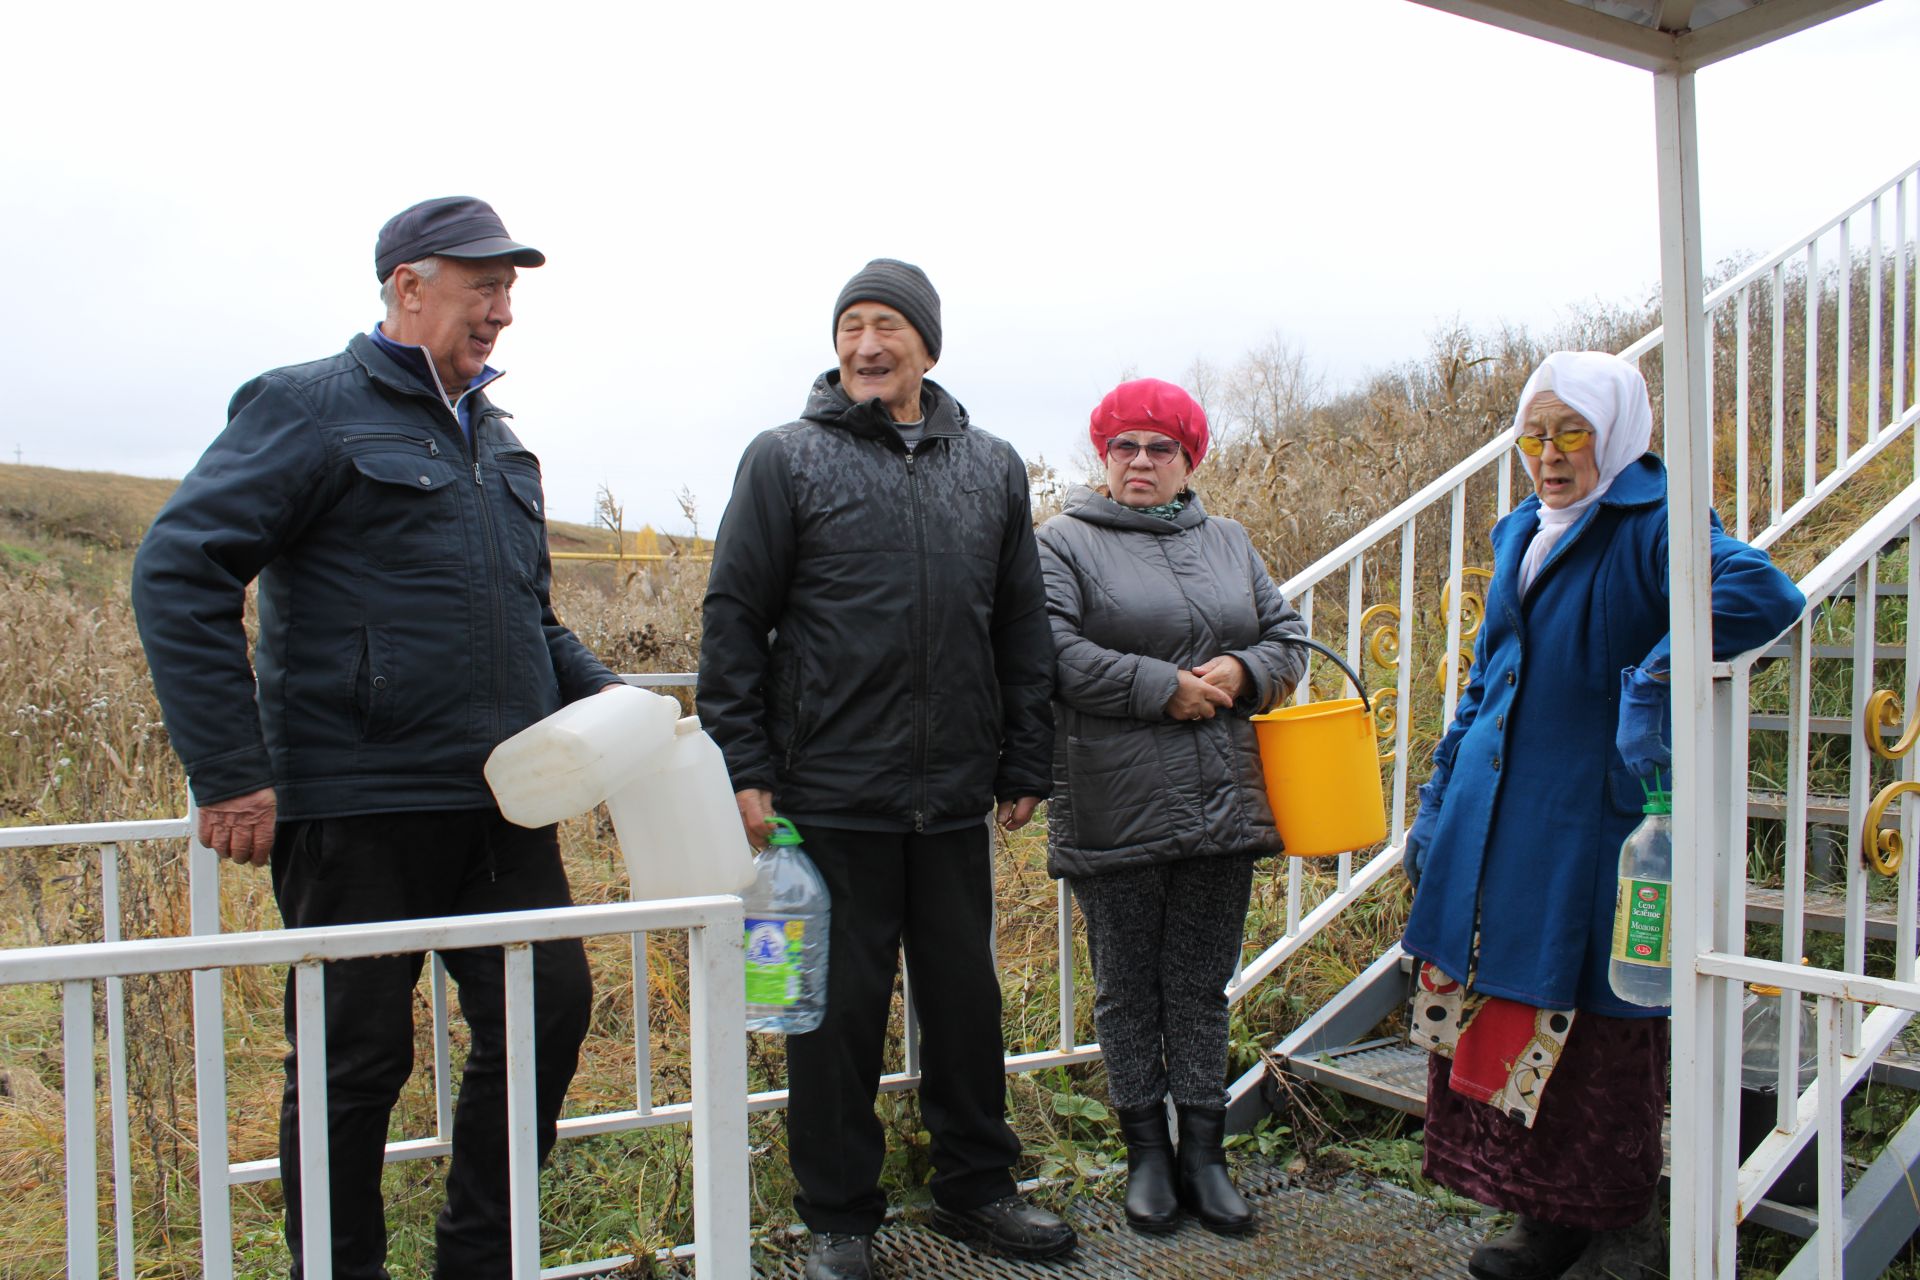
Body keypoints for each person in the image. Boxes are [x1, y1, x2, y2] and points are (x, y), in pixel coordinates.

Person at [131, 196, 621, 1280]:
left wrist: (625, 705)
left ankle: (480, 1261)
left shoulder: (496, 439)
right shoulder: (311, 407)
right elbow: (179, 568)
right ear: (408, 284)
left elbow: (527, 620)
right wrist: (231, 770)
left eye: (509, 290)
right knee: (357, 1059)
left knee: (548, 1008)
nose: (499, 310)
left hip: (500, 800)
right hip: (357, 801)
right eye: (480, 285)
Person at [697, 258, 1072, 1280]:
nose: (868, 344)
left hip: (952, 793)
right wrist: (745, 762)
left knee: (965, 1002)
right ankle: (839, 1213)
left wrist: (1023, 755)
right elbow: (734, 618)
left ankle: (978, 1187)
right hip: (824, 798)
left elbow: (1021, 623)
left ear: (927, 345)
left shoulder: (990, 465)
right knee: (832, 1013)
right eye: (852, 325)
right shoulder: (784, 459)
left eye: (888, 326)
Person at [1400, 352, 1805, 1280]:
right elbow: (1485, 677)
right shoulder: (1520, 533)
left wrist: (1654, 680)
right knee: (1503, 1010)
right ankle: (1540, 1220)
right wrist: (1432, 804)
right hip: (1493, 817)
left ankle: (1618, 1225)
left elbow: (1763, 593)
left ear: (1616, 432)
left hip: (1586, 827)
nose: (1549, 454)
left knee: (1594, 1026)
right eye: (1534, 435)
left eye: (1570, 432)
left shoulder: (1654, 523)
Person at [1033, 378, 1306, 1237]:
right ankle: (1145, 1155)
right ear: (1103, 458)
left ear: (1190, 460)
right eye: (1125, 447)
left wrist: (1244, 672)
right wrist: (1164, 689)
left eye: (1161, 448)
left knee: (1199, 983)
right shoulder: (1063, 543)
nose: (1141, 461)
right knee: (1126, 989)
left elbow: (1287, 635)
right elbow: (1052, 651)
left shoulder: (1228, 540)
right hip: (1116, 801)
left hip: (1223, 799)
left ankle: (1205, 1157)